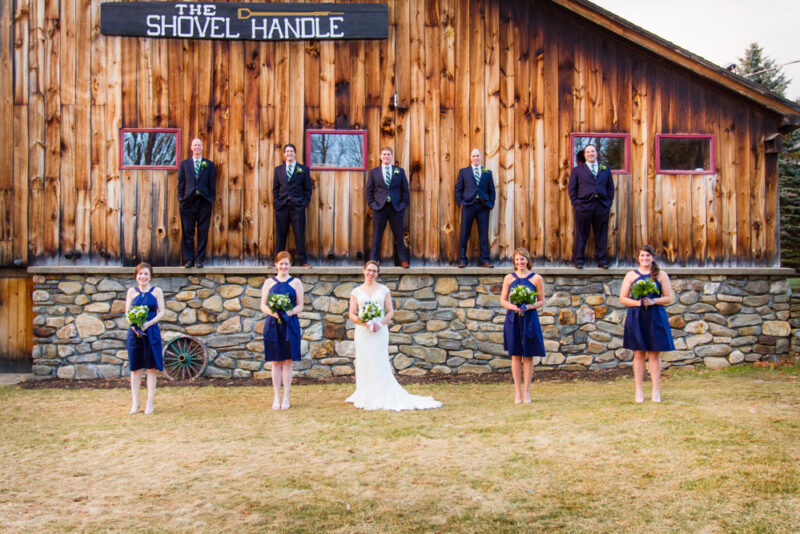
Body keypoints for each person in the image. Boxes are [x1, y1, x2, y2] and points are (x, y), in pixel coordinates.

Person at [346, 261, 442, 411]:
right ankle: (365, 394)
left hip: (380, 330)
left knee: (379, 359)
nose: (371, 273)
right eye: (369, 270)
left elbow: (390, 312)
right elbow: (351, 314)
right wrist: (365, 323)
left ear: (378, 273)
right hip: (363, 332)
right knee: (364, 360)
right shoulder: (356, 292)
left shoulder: (384, 290)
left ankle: (382, 393)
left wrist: (380, 324)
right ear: (364, 270)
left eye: (374, 271)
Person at [619, 245, 675, 403]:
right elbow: (623, 298)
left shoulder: (660, 275)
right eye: (642, 255)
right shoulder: (630, 275)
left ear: (653, 258)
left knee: (654, 354)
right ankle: (638, 390)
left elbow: (669, 297)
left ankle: (655, 390)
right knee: (638, 354)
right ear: (638, 258)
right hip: (637, 316)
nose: (645, 258)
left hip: (655, 316)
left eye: (648, 256)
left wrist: (653, 301)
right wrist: (638, 304)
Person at [499, 248, 546, 404]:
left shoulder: (536, 278)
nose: (520, 262)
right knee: (516, 355)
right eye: (517, 259)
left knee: (528, 355)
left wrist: (531, 306)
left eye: (523, 259)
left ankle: (526, 392)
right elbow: (503, 300)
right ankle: (517, 393)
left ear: (528, 260)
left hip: (530, 318)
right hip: (513, 318)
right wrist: (514, 307)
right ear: (514, 261)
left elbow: (541, 300)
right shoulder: (508, 278)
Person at [260, 251, 305, 410]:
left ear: (290, 265)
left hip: (290, 323)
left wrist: (289, 313)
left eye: (287, 263)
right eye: (281, 263)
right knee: (275, 361)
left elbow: (300, 305)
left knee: (287, 361)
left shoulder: (296, 282)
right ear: (276, 264)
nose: (284, 266)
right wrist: (272, 312)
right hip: (273, 323)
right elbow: (263, 305)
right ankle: (276, 397)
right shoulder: (269, 282)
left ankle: (286, 396)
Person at [125, 262, 165, 414]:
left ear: (150, 276)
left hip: (151, 332)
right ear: (136, 276)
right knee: (135, 369)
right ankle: (135, 402)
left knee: (150, 368)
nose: (143, 277)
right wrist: (134, 325)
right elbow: (127, 313)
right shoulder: (131, 292)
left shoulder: (156, 291)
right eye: (140, 274)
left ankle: (150, 402)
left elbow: (162, 312)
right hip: (135, 334)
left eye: (146, 274)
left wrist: (148, 323)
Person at [568, 143, 614, 269]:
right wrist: (576, 203)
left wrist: (608, 203)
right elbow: (572, 189)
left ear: (596, 153)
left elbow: (610, 188)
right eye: (588, 152)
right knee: (582, 233)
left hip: (601, 206)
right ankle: (579, 260)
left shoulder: (605, 170)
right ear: (585, 155)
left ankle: (602, 260)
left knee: (601, 234)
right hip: (583, 206)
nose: (590, 154)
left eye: (592, 151)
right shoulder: (577, 171)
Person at [366, 147, 410, 268]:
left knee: (399, 235)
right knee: (376, 236)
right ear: (380, 156)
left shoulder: (399, 171)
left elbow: (405, 190)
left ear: (391, 157)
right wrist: (373, 205)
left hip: (396, 208)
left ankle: (403, 260)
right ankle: (373, 261)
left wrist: (402, 205)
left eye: (388, 154)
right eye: (384, 154)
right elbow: (369, 191)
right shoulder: (374, 172)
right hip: (379, 208)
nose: (386, 156)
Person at [178, 138, 216, 268]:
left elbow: (212, 184)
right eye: (194, 145)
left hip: (204, 201)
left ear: (202, 147)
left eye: (199, 145)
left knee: (203, 231)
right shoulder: (185, 164)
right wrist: (181, 198)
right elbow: (181, 183)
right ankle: (189, 259)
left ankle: (200, 260)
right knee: (188, 231)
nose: (197, 147)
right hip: (188, 202)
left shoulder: (209, 165)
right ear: (191, 147)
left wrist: (211, 198)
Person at [273, 143, 313, 267]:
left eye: (292, 151)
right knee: (281, 235)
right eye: (287, 151)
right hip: (282, 206)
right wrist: (277, 203)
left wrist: (304, 203)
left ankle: (302, 260)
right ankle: (278, 261)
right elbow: (275, 188)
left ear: (295, 153)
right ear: (284, 154)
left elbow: (308, 189)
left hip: (297, 207)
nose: (289, 153)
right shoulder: (278, 170)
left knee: (299, 234)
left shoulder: (303, 169)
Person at [455, 148, 496, 268]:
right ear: (470, 157)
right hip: (468, 205)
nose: (475, 158)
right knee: (464, 233)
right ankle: (462, 259)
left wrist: (491, 204)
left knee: (483, 233)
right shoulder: (464, 172)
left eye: (477, 156)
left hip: (483, 206)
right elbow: (458, 189)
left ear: (481, 157)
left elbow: (492, 190)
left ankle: (485, 260)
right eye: (473, 156)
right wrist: (461, 202)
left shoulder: (487, 173)